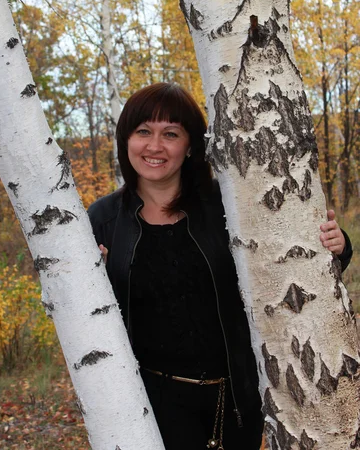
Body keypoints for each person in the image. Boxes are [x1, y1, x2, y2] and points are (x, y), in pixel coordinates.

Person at [88, 82, 352, 450]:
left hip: (234, 397)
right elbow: (89, 313)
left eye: (171, 134)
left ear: (190, 145)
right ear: (125, 140)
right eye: (143, 132)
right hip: (148, 403)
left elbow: (289, 257)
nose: (154, 146)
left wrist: (336, 244)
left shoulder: (227, 206)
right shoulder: (102, 219)